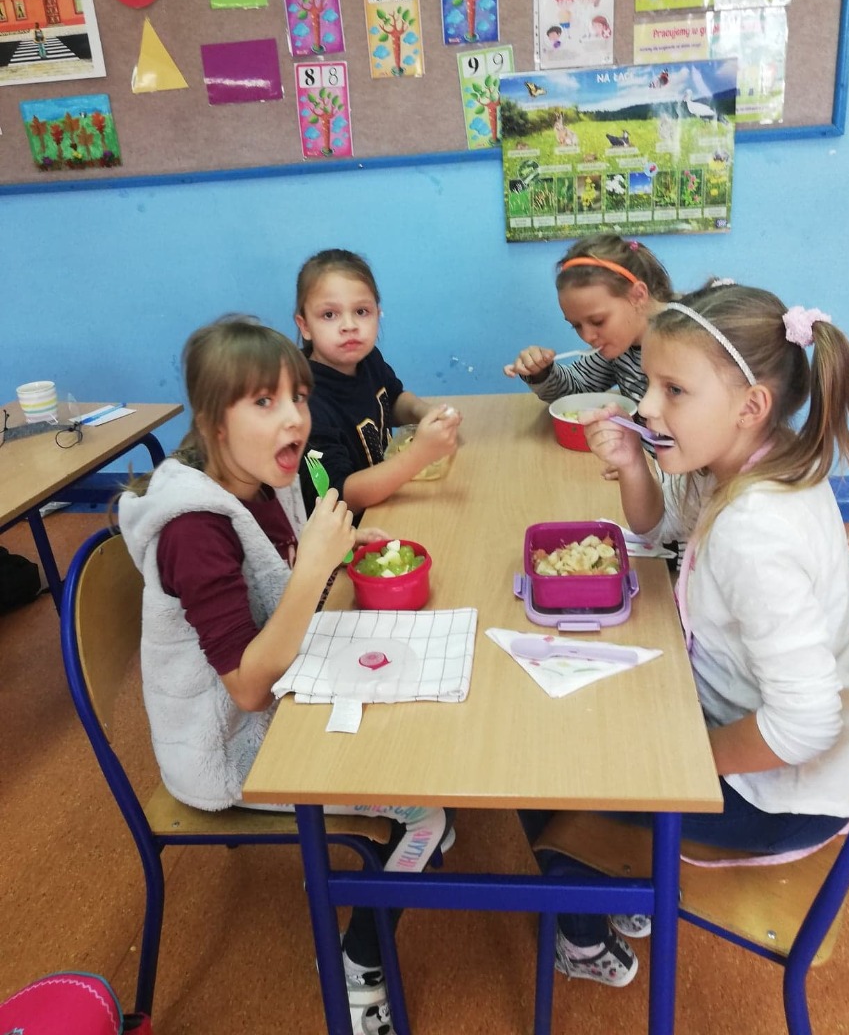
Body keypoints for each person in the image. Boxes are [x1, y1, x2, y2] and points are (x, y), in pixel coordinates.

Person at [525, 282, 849, 989]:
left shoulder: (757, 531)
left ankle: (587, 929)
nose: (645, 408)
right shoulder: (745, 460)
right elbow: (659, 530)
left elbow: (805, 725)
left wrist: (682, 764)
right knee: (586, 704)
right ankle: (626, 886)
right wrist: (634, 465)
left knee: (547, 764)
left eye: (674, 391)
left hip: (781, 793)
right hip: (742, 722)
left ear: (751, 406)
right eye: (650, 385)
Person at [117, 315, 452, 1033]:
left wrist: (345, 548)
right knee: (429, 803)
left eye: (297, 397)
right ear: (213, 422)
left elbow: (284, 567)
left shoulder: (264, 477)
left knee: (425, 718)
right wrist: (314, 569)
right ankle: (359, 966)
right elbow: (245, 686)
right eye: (264, 402)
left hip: (285, 691)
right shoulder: (193, 530)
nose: (294, 417)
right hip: (228, 745)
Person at [294, 249, 461, 516]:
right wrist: (418, 455)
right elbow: (338, 496)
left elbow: (392, 400)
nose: (349, 325)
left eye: (361, 311)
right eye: (329, 315)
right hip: (351, 531)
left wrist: (426, 412)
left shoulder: (368, 358)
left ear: (377, 313)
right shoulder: (304, 404)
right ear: (304, 326)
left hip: (387, 503)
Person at [502, 233, 674, 433]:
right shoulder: (620, 345)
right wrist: (541, 372)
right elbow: (576, 391)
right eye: (576, 325)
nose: (587, 337)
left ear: (637, 296)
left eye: (597, 321)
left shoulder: (689, 342)